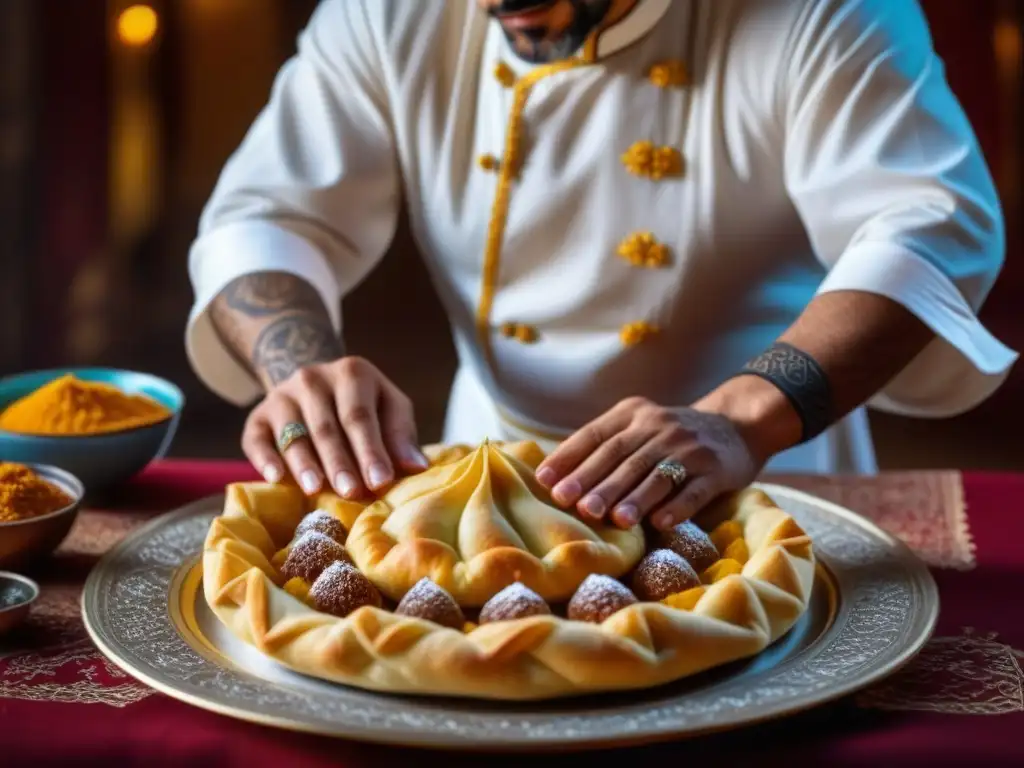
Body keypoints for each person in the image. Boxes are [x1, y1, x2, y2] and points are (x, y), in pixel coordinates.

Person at [186, 0, 1017, 532]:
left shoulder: (823, 11)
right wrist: (300, 367)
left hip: (757, 481)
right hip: (486, 482)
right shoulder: (385, 13)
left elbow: (932, 225)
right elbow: (267, 212)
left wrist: (740, 418)